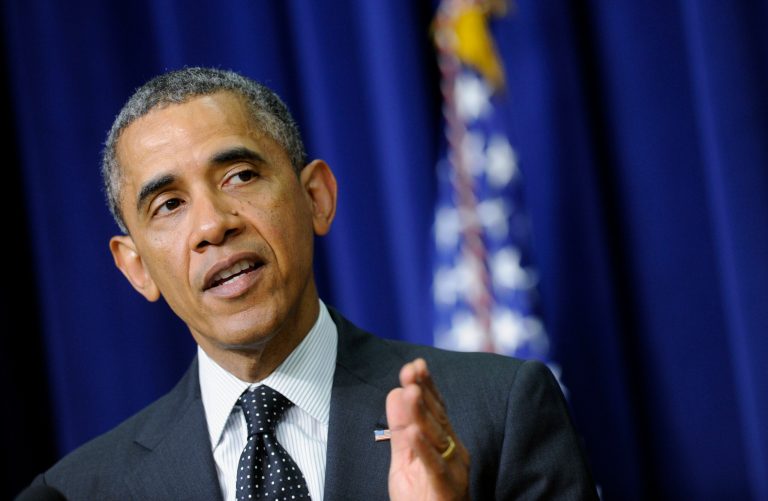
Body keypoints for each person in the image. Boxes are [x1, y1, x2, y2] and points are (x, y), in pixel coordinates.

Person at [19, 67, 597, 500]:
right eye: (168, 204)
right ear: (136, 267)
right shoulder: (77, 492)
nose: (214, 225)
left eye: (241, 175)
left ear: (315, 198)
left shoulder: (497, 409)